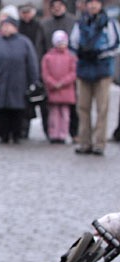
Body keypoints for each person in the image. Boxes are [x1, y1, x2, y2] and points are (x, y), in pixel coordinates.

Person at [69, 0, 119, 156]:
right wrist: (81, 52)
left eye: (95, 3)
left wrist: (99, 53)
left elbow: (115, 44)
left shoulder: (109, 23)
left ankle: (99, 142)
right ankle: (85, 142)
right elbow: (73, 43)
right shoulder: (80, 23)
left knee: (102, 108)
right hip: (84, 69)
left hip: (102, 69)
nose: (92, 6)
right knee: (83, 107)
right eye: (90, 3)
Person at [0, 15, 39, 144]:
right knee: (1, 110)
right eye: (3, 26)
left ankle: (16, 134)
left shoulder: (24, 42)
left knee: (17, 111)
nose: (5, 29)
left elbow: (32, 62)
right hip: (0, 82)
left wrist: (33, 81)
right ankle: (3, 134)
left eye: (7, 26)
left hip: (18, 82)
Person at [41, 30, 76, 143]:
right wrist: (52, 83)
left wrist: (62, 82)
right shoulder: (48, 57)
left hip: (66, 90)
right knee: (54, 114)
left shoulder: (71, 57)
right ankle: (53, 133)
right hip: (53, 90)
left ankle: (63, 133)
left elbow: (73, 72)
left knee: (65, 114)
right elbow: (45, 73)